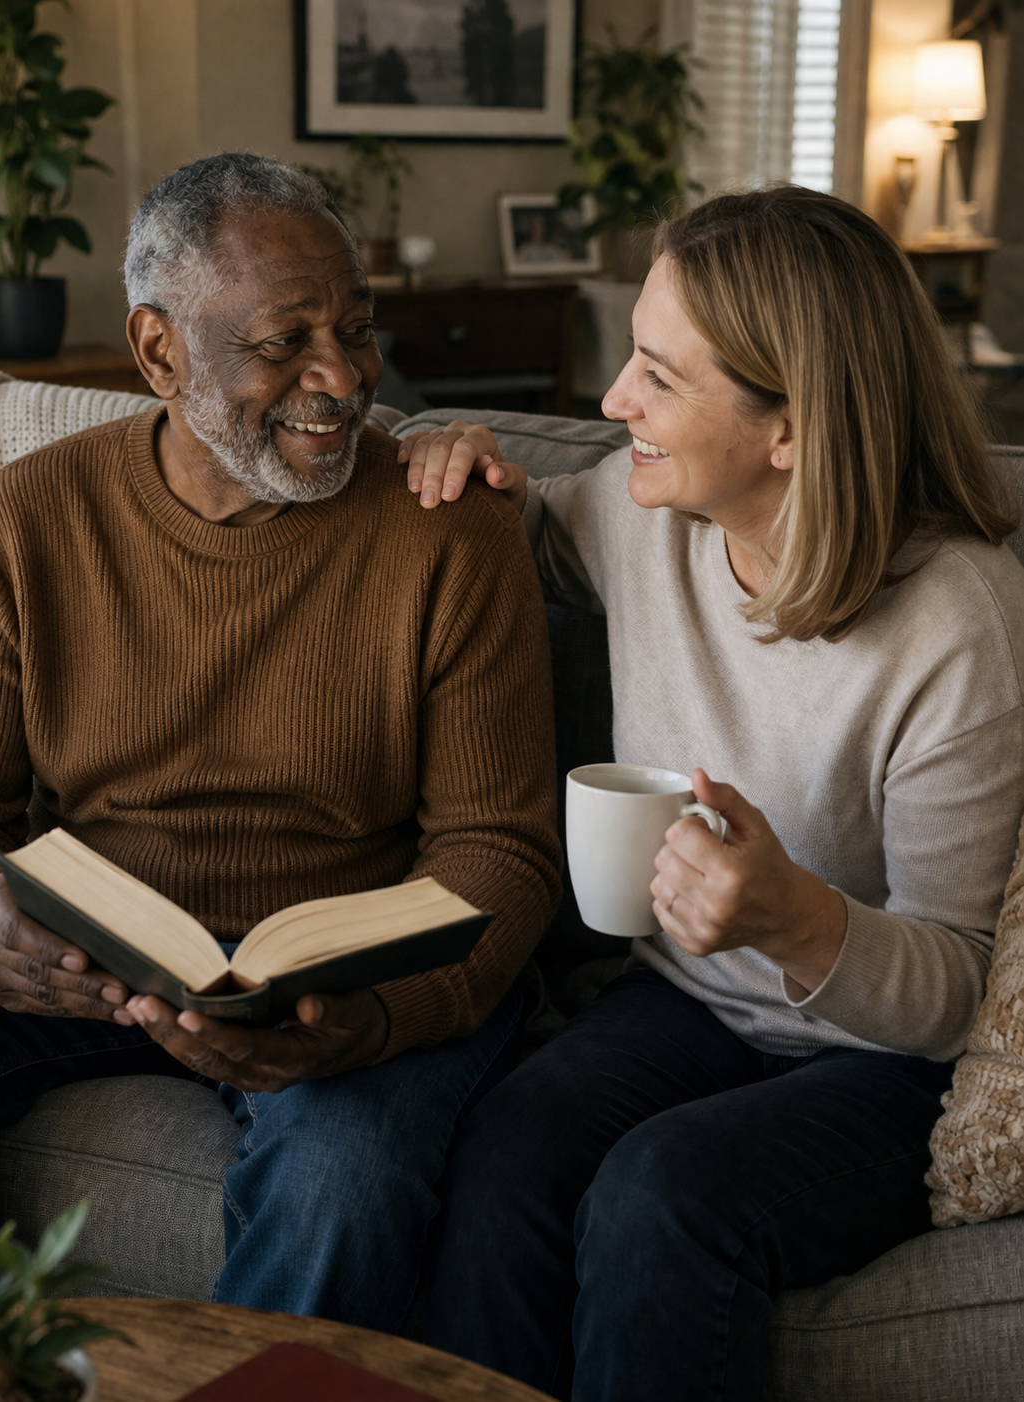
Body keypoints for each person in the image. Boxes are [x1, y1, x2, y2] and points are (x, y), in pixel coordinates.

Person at [0, 153, 561, 1326]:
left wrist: (378, 1018)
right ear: (159, 352)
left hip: (339, 978)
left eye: (356, 330)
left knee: (342, 1180)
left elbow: (498, 850)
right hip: (100, 962)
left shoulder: (449, 533)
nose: (342, 378)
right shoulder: (26, 518)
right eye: (282, 342)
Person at [398, 186, 1024, 1400]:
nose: (609, 402)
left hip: (885, 1065)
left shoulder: (957, 626)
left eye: (655, 375)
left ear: (786, 427)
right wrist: (446, 449)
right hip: (689, 1003)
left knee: (661, 1197)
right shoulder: (647, 522)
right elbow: (505, 524)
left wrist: (795, 917)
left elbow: (959, 988)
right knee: (509, 1146)